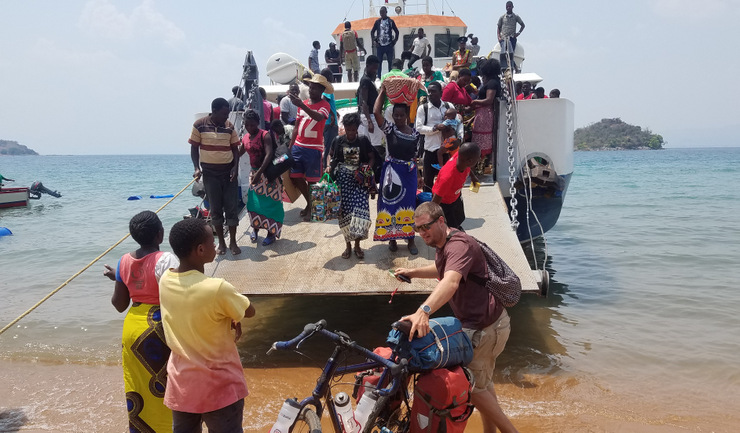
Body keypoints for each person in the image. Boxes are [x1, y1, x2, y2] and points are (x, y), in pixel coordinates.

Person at [394, 201, 520, 433]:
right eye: (418, 229)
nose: (422, 233)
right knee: (482, 383)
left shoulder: (459, 245)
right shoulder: (444, 244)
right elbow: (444, 269)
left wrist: (423, 311)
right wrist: (413, 272)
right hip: (485, 324)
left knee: (472, 386)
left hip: (486, 328)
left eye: (426, 227)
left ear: (441, 221)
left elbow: (451, 281)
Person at [159, 217, 256, 433]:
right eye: (212, 241)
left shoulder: (165, 280)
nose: (216, 244)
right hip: (219, 386)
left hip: (182, 384)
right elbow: (249, 311)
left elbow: (192, 310)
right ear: (200, 250)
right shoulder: (217, 288)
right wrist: (231, 315)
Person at [102, 211, 179, 433]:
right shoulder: (167, 259)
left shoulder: (123, 261)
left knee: (138, 386)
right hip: (158, 327)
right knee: (169, 385)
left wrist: (119, 277)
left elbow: (119, 304)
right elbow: (177, 296)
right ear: (160, 234)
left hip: (133, 329)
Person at [190, 97, 241, 256]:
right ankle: (222, 243)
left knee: (231, 208)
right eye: (224, 114)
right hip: (210, 174)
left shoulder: (229, 126)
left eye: (227, 114)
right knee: (215, 210)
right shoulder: (199, 125)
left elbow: (235, 149)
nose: (226, 117)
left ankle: (233, 242)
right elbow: (194, 148)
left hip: (228, 173)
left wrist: (235, 168)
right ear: (214, 111)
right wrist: (196, 168)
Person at [372, 83, 419, 255]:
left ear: (407, 115)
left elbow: (415, 156)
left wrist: (419, 175)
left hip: (409, 173)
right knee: (390, 204)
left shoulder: (415, 134)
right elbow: (376, 112)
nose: (398, 118)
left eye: (401, 115)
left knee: (409, 205)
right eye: (396, 115)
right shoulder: (389, 129)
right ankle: (392, 238)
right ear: (392, 116)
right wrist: (382, 92)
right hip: (391, 173)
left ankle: (410, 240)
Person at [328, 112, 377, 259]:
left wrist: (367, 169)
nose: (350, 132)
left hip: (360, 182)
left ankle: (357, 245)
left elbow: (372, 157)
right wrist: (328, 166)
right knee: (345, 215)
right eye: (348, 129)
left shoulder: (363, 140)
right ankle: (348, 246)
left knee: (361, 214)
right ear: (344, 127)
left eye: (353, 129)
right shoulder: (338, 140)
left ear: (357, 128)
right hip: (343, 183)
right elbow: (330, 155)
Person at [289, 74, 333, 221]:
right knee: (295, 177)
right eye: (310, 87)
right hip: (298, 146)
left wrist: (302, 105)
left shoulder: (325, 105)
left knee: (312, 181)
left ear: (321, 90)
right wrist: (290, 146)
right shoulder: (303, 103)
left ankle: (311, 208)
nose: (311, 90)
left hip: (313, 148)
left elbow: (318, 117)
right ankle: (310, 203)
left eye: (314, 88)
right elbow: (296, 127)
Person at [241, 110, 284, 246]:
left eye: (252, 125)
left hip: (269, 174)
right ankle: (255, 229)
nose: (250, 128)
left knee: (272, 204)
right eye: (247, 125)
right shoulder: (245, 137)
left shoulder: (265, 135)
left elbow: (269, 154)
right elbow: (239, 152)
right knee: (253, 204)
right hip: (254, 174)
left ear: (258, 123)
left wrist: (260, 173)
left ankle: (271, 233)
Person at [432, 142, 481, 229]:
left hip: (455, 196)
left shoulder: (461, 158)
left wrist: (473, 176)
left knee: (460, 218)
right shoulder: (448, 177)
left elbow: (467, 166)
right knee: (450, 227)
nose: (479, 160)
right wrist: (431, 218)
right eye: (477, 159)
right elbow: (436, 200)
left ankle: (457, 227)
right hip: (444, 202)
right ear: (470, 161)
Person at [416, 81, 454, 192]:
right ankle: (429, 202)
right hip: (430, 150)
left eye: (433, 91)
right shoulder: (423, 108)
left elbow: (457, 122)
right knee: (428, 182)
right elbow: (419, 128)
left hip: (447, 150)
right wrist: (435, 128)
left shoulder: (448, 106)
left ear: (441, 93)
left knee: (448, 180)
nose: (430, 94)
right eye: (429, 92)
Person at [469, 59, 501, 173]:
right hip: (482, 113)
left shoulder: (492, 83)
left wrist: (474, 102)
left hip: (485, 114)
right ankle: (480, 168)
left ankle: (480, 168)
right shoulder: (495, 81)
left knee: (481, 141)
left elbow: (489, 100)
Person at [357, 55, 385, 156]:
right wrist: (369, 121)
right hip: (370, 116)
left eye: (376, 69)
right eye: (374, 68)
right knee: (376, 144)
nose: (375, 71)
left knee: (366, 144)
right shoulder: (366, 81)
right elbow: (363, 102)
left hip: (366, 116)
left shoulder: (367, 80)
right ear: (367, 66)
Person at [371, 6, 399, 77]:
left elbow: (397, 31)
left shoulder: (391, 21)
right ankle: (379, 77)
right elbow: (372, 31)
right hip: (380, 46)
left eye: (383, 12)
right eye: (380, 13)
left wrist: (394, 41)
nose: (381, 14)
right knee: (379, 62)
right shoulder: (377, 22)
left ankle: (390, 76)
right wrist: (374, 41)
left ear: (386, 12)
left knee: (390, 62)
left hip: (389, 45)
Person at [497, 1, 525, 73]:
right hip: (503, 38)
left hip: (512, 38)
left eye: (510, 6)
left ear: (512, 7)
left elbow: (523, 25)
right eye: (507, 6)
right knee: (504, 53)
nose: (508, 8)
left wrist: (518, 33)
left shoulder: (516, 17)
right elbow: (498, 27)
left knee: (510, 54)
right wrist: (499, 37)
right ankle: (504, 69)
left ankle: (513, 68)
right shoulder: (502, 17)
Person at [320, 68, 339, 168]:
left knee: (329, 145)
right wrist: (332, 115)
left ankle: (326, 166)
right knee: (331, 146)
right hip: (330, 123)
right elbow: (324, 100)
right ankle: (326, 166)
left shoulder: (325, 89)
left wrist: (335, 112)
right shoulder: (328, 89)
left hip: (328, 122)